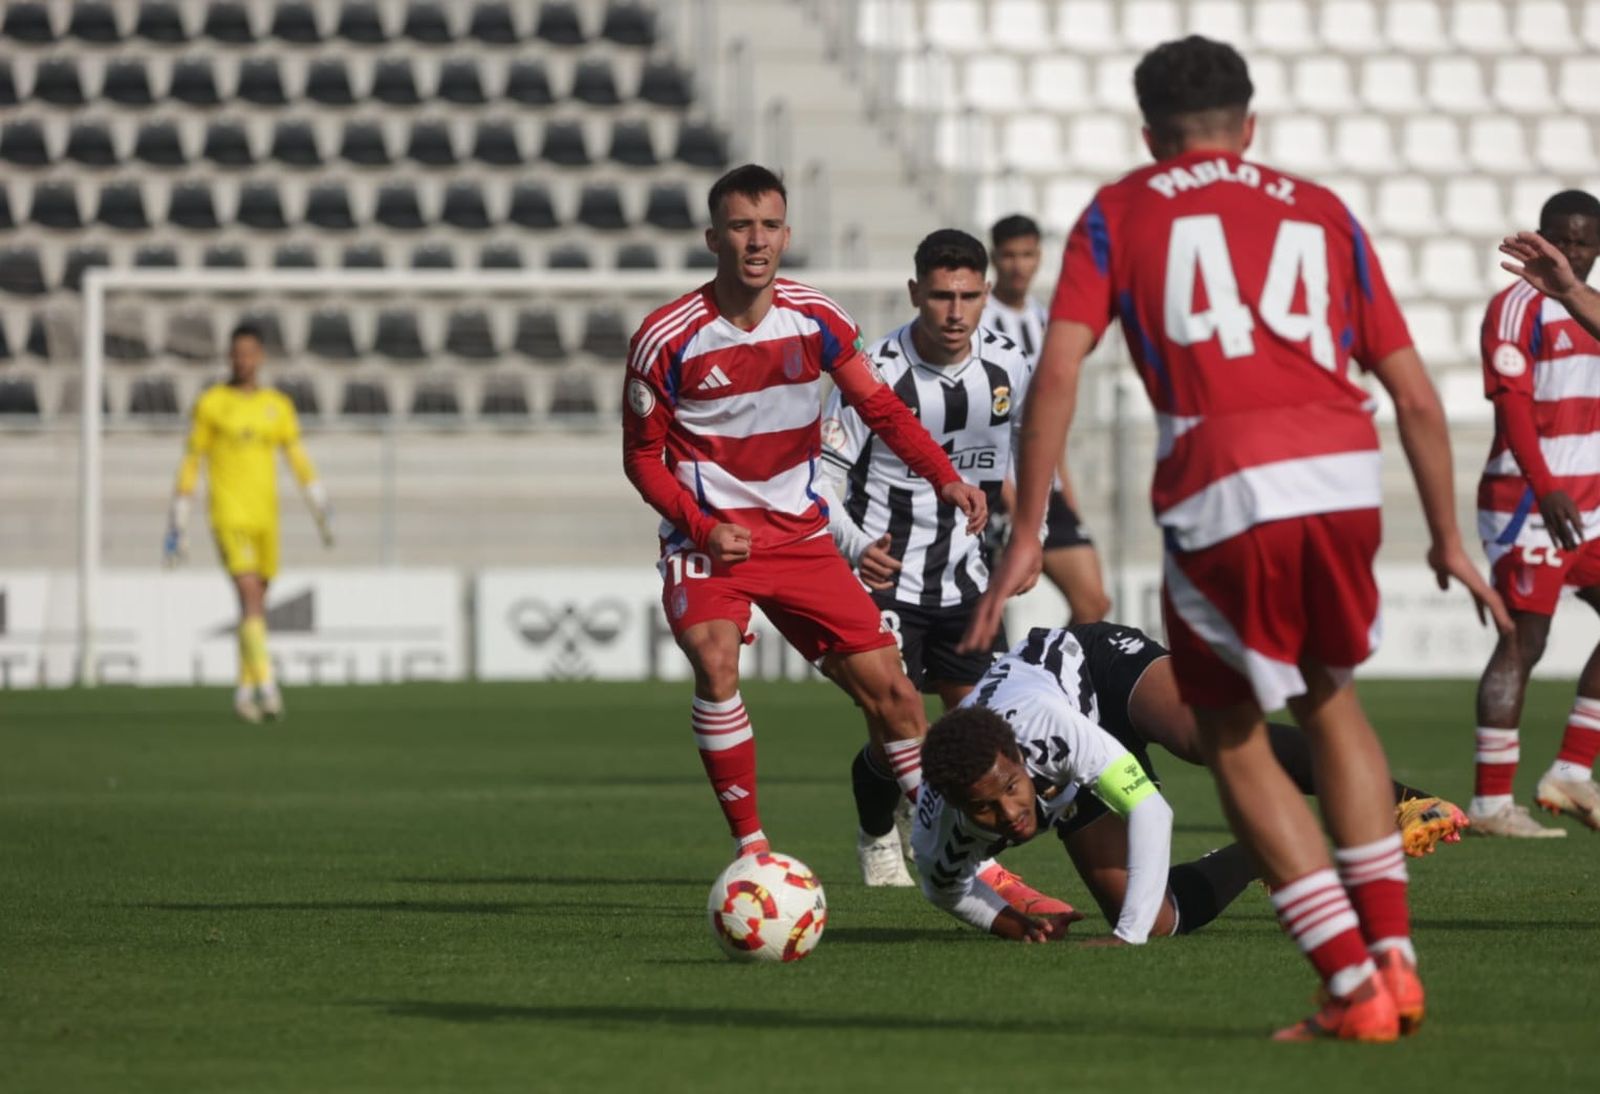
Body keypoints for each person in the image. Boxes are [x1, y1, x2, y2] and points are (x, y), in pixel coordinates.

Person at [963, 37, 1508, 1041]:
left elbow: (1057, 371)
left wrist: (1029, 529)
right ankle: (1394, 961)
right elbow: (1414, 394)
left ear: (1148, 135)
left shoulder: (1121, 209)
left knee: (1232, 736)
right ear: (1247, 126)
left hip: (1222, 482)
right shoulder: (1320, 209)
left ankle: (1349, 984)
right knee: (1332, 703)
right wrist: (1446, 536)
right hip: (1342, 475)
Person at [621, 165, 1001, 873]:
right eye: (741, 226)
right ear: (713, 238)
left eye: (769, 225)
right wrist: (702, 529)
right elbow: (642, 461)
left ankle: (951, 859)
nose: (756, 240)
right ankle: (752, 851)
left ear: (787, 235)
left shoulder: (817, 317)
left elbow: (882, 410)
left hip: (800, 537)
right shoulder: (666, 337)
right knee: (716, 661)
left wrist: (944, 477)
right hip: (712, 542)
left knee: (896, 697)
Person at [819, 228, 1056, 895]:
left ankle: (959, 854)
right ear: (914, 293)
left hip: (967, 582)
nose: (955, 312)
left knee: (982, 738)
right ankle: (879, 835)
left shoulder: (1009, 366)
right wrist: (854, 546)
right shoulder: (873, 372)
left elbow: (1031, 452)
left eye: (969, 297)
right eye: (941, 296)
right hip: (886, 579)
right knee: (899, 732)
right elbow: (822, 475)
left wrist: (1030, 534)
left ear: (987, 295)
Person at [1472, 190, 1600, 836]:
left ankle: (1571, 772)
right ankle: (1491, 803)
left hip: (1591, 503)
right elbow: (1513, 404)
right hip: (1528, 499)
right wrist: (1545, 485)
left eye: (1583, 241)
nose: (1571, 252)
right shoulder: (1517, 304)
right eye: (1561, 239)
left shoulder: (1593, 309)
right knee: (1526, 638)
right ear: (1540, 238)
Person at [164, 324, 333, 723]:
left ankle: (243, 693)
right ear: (230, 357)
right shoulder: (212, 404)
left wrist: (319, 504)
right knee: (250, 593)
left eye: (250, 353)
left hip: (266, 518)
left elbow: (296, 456)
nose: (243, 360)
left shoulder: (277, 406)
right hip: (229, 514)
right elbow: (191, 460)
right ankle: (268, 687)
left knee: (253, 604)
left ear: (260, 357)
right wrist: (179, 519)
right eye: (237, 353)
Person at [981, 214, 1110, 623]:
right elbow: (981, 419)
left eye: (1027, 255)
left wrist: (1065, 489)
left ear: (1039, 257)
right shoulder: (977, 320)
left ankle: (1047, 664)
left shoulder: (1044, 321)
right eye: (1009, 255)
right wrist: (1011, 498)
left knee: (1093, 603)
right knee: (978, 614)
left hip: (1042, 484)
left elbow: (1048, 415)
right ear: (994, 258)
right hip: (991, 488)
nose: (1019, 265)